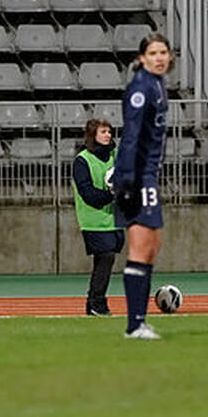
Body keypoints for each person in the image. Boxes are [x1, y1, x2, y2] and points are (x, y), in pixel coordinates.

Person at [114, 33, 173, 340]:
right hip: (137, 178)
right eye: (153, 52)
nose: (159, 57)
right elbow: (131, 137)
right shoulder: (141, 87)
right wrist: (126, 182)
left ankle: (140, 321)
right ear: (142, 58)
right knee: (140, 248)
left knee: (151, 249)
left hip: (150, 176)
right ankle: (134, 325)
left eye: (163, 52)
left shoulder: (158, 85)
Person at [72, 118, 124, 316]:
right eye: (103, 132)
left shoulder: (116, 156)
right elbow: (88, 194)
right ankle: (97, 303)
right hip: (93, 220)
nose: (108, 135)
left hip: (114, 219)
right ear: (92, 135)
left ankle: (93, 303)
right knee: (105, 256)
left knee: (107, 260)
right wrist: (112, 193)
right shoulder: (82, 161)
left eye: (109, 132)